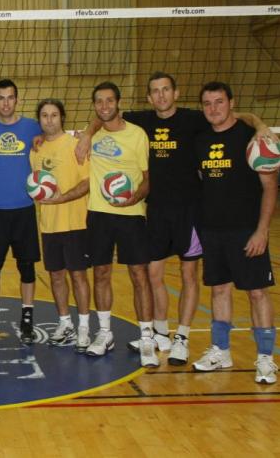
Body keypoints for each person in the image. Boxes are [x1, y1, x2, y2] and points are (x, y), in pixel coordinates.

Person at [76, 72, 274, 365]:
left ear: (176, 93)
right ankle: (160, 333)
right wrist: (88, 133)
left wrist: (260, 124)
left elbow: (236, 116)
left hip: (190, 211)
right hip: (156, 211)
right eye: (155, 91)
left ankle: (182, 337)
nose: (161, 95)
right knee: (153, 275)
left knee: (188, 275)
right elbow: (106, 114)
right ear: (149, 97)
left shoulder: (195, 119)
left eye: (166, 89)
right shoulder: (142, 120)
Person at [192, 81, 277, 384]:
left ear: (231, 102)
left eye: (219, 101)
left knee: (257, 293)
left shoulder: (250, 137)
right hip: (212, 230)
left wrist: (262, 231)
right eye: (207, 103)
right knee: (219, 290)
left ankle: (265, 359)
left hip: (246, 230)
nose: (213, 108)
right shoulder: (200, 140)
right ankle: (221, 351)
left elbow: (270, 188)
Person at [84, 81, 158, 368]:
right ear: (94, 105)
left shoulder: (137, 135)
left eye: (109, 100)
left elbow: (148, 179)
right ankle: (105, 333)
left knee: (139, 275)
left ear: (118, 103)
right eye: (99, 101)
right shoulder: (91, 135)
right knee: (101, 273)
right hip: (98, 213)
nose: (104, 106)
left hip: (132, 214)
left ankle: (147, 337)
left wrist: (134, 197)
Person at [0, 79, 43, 344]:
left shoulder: (33, 127)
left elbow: (55, 139)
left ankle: (27, 319)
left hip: (24, 209)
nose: (6, 103)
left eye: (10, 97)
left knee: (26, 268)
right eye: (1, 98)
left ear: (17, 99)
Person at [29, 99, 92, 352]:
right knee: (56, 276)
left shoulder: (77, 143)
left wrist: (63, 198)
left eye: (54, 115)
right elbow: (37, 185)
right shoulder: (36, 150)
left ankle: (84, 327)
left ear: (62, 117)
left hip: (76, 222)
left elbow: (87, 182)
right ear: (39, 120)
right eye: (44, 115)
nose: (49, 120)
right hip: (49, 224)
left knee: (78, 276)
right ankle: (65, 323)